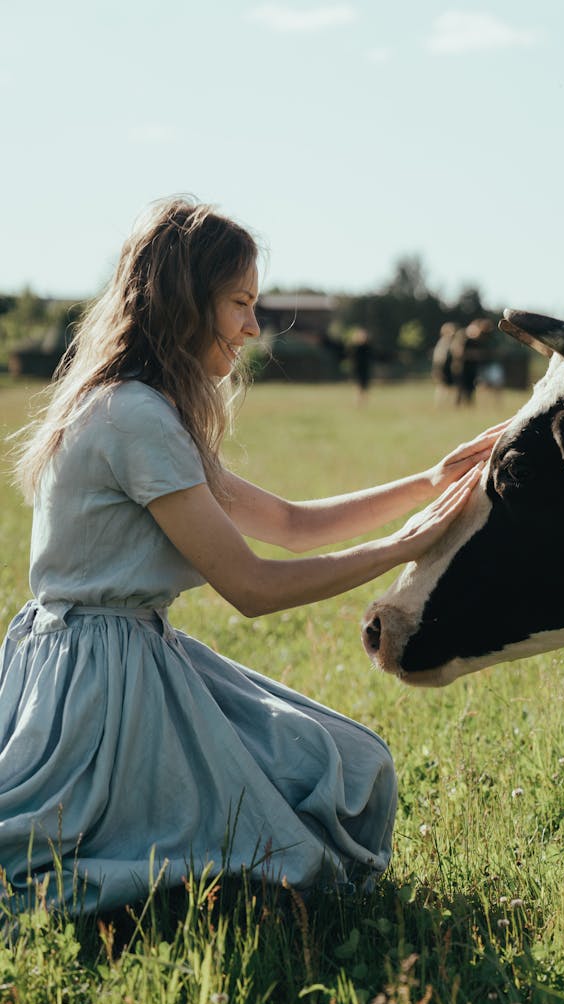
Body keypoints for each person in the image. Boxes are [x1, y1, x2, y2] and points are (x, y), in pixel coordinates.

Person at [0, 197, 503, 915]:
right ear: (186, 300)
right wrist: (404, 546)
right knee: (288, 833)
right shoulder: (135, 417)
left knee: (353, 767)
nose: (253, 326)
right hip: (100, 689)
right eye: (240, 303)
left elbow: (292, 524)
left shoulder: (137, 406)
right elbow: (254, 585)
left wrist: (429, 483)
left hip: (123, 656)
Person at [430, 322, 457, 407]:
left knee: (451, 388)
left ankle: (449, 405)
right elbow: (438, 359)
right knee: (441, 387)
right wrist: (438, 371)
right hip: (442, 368)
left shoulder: (452, 343)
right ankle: (439, 405)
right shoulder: (442, 343)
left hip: (449, 369)